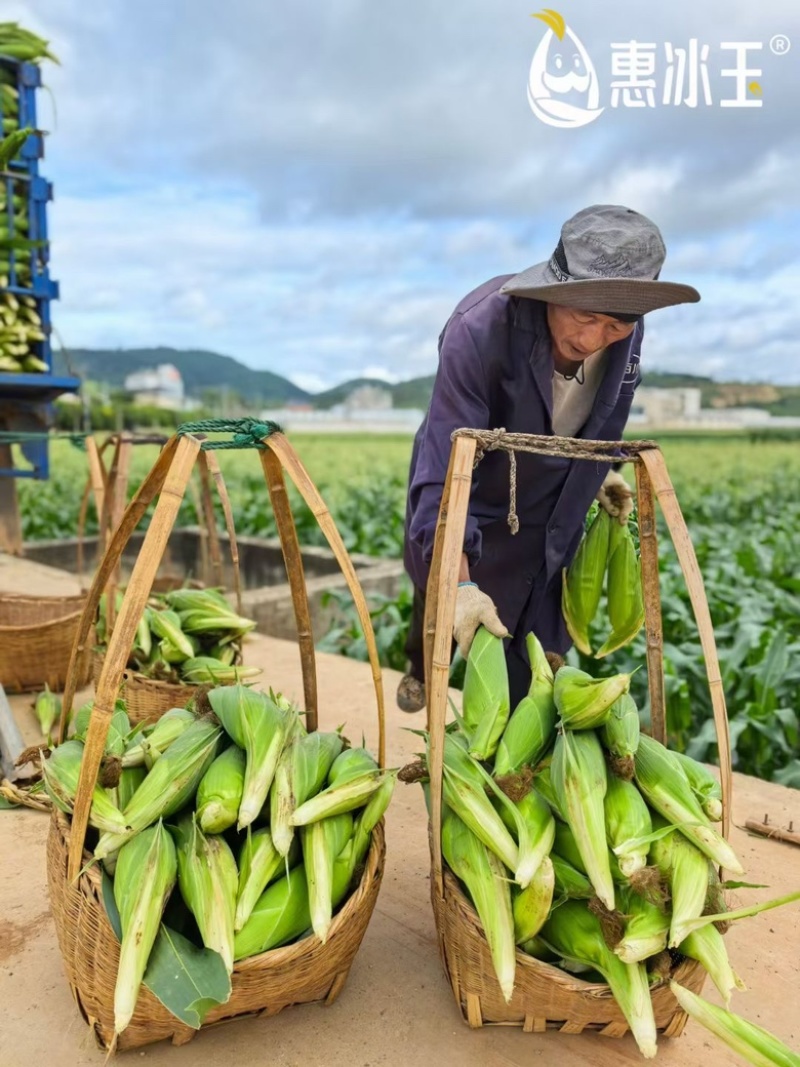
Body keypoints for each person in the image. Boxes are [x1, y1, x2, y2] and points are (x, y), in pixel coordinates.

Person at [398, 204, 700, 712]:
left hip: (552, 507)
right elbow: (444, 481)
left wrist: (600, 470)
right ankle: (421, 661)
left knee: (534, 648)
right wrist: (462, 583)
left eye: (613, 326)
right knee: (445, 601)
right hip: (480, 493)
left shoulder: (626, 332)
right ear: (553, 292)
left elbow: (607, 418)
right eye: (583, 316)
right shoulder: (479, 330)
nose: (590, 339)